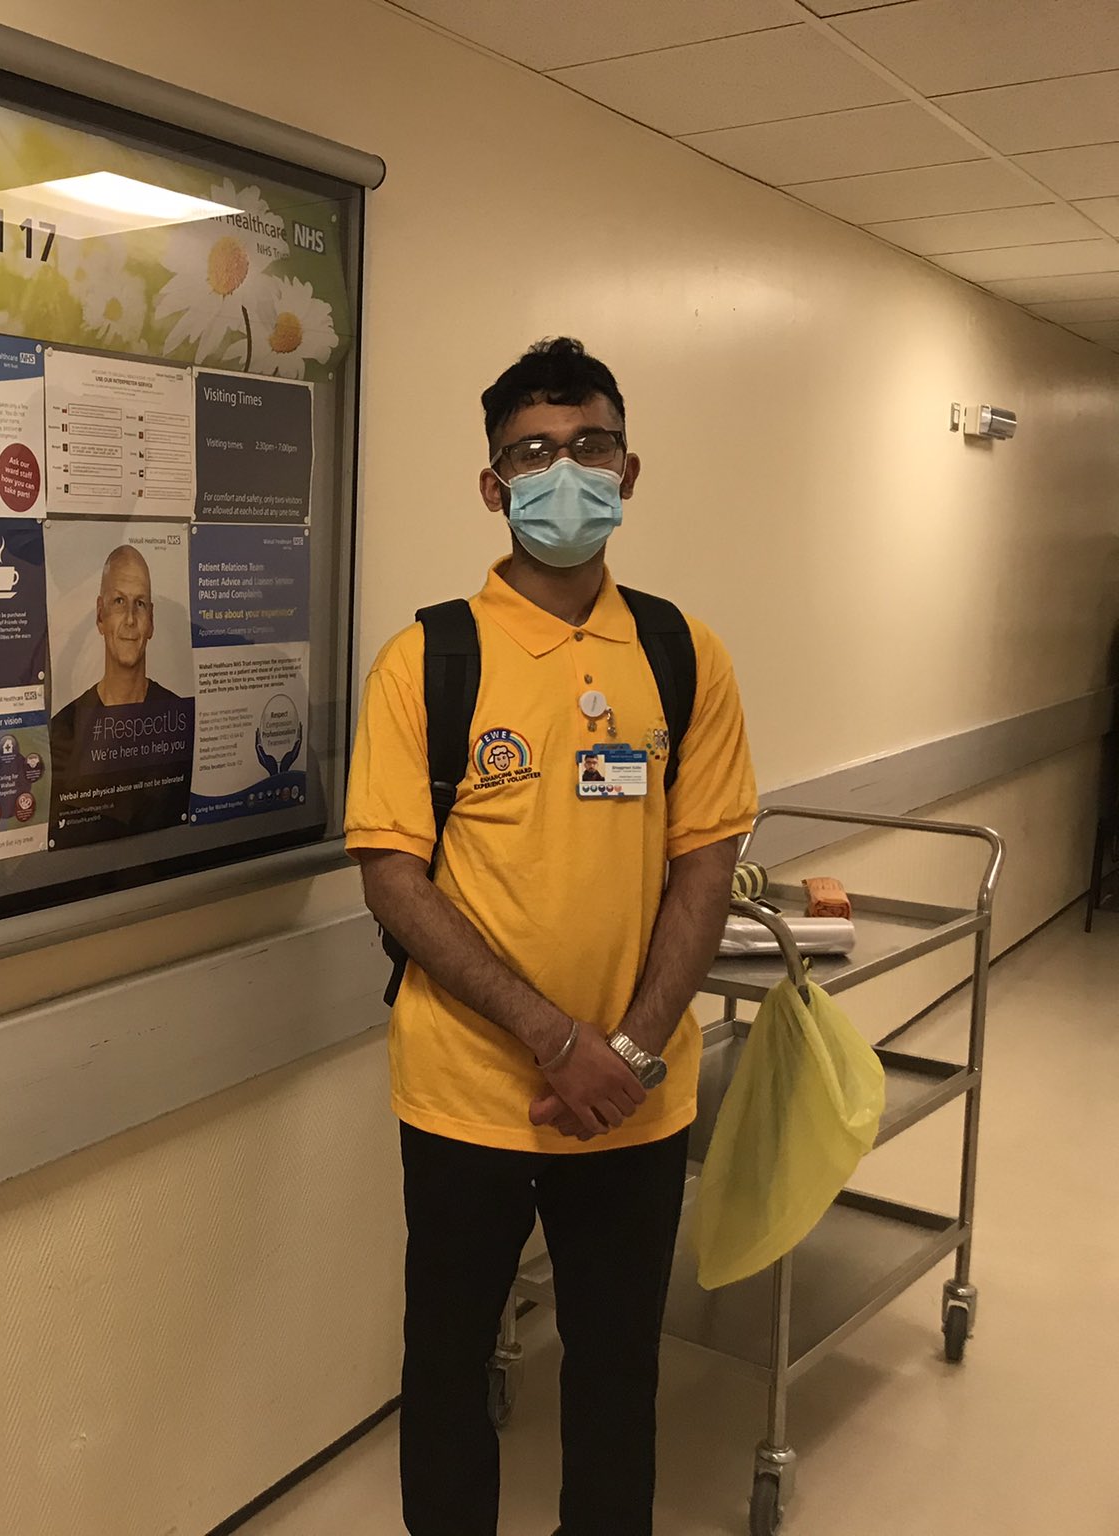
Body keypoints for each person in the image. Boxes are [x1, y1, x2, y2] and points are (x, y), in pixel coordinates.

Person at [348, 338, 756, 1536]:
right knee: (446, 1369)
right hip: (467, 1092)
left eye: (586, 447)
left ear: (627, 471)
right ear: (491, 485)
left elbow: (705, 862)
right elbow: (393, 881)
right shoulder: (429, 657)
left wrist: (622, 1054)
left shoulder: (683, 655)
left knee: (616, 1371)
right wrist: (552, 1037)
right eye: (531, 453)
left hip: (634, 1097)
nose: (560, 473)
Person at [47, 544, 191, 840]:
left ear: (151, 620)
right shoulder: (65, 730)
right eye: (118, 602)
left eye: (139, 604)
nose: (129, 619)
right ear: (100, 616)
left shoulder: (178, 719)